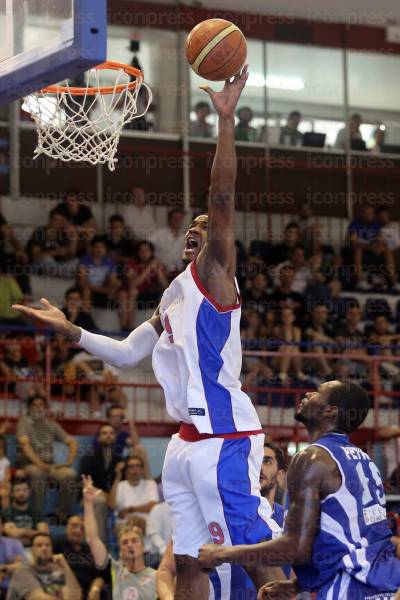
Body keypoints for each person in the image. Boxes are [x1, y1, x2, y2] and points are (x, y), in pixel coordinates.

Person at [13, 67, 284, 599]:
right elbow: (124, 353)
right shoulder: (172, 295)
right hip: (184, 447)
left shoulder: (215, 278)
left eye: (204, 230)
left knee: (256, 561)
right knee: (188, 566)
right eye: (192, 227)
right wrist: (71, 330)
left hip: (226, 439)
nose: (196, 231)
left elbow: (223, 198)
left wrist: (225, 123)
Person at [199, 380, 400, 599]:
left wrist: (223, 554)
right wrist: (297, 585)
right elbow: (358, 542)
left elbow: (296, 548)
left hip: (349, 588)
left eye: (318, 393)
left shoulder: (312, 458)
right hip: (384, 587)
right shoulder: (365, 460)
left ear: (331, 410)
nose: (308, 392)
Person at [82, 475, 157, 600]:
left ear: (143, 547)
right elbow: (92, 539)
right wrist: (88, 504)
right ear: (120, 552)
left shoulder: (158, 576)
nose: (130, 545)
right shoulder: (114, 570)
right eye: (125, 542)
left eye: (134, 541)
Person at [15, 394, 78, 519]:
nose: (38, 408)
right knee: (39, 473)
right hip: (29, 465)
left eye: (41, 405)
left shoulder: (51, 424)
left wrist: (69, 461)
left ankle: (61, 514)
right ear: (29, 408)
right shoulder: (24, 422)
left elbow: (72, 442)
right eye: (35, 405)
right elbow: (24, 445)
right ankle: (37, 515)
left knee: (70, 474)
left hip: (49, 465)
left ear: (46, 408)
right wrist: (40, 464)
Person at [6, 532, 82, 600]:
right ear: (32, 550)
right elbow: (39, 597)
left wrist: (65, 566)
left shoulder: (55, 570)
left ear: (52, 549)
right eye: (39, 545)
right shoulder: (22, 572)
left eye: (47, 545)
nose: (44, 548)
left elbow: (75, 596)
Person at [79, 424, 121, 543]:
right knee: (100, 502)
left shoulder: (120, 460)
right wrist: (107, 497)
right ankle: (101, 544)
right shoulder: (88, 459)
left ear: (115, 437)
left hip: (113, 498)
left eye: (111, 433)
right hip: (90, 497)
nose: (108, 435)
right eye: (104, 433)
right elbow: (87, 485)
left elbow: (121, 486)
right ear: (98, 438)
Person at [53, 515, 108, 599]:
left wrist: (95, 589)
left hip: (86, 594)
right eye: (74, 526)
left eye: (82, 528)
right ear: (66, 528)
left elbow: (98, 577)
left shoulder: (88, 549)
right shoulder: (59, 542)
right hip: (66, 591)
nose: (78, 530)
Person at [108, 455, 158, 539]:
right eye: (131, 466)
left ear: (142, 469)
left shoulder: (150, 484)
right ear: (126, 470)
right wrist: (117, 477)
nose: (135, 469)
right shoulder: (120, 485)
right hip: (124, 524)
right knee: (132, 525)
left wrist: (130, 510)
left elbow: (152, 506)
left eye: (138, 466)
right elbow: (111, 506)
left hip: (146, 522)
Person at [26, 208, 79, 277]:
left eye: (61, 221)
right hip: (36, 266)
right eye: (56, 220)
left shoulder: (62, 234)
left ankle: (59, 273)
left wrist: (74, 237)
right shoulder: (40, 232)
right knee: (48, 259)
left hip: (57, 266)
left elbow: (70, 257)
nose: (58, 223)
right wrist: (56, 252)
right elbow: (35, 257)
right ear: (50, 220)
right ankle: (63, 273)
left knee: (76, 261)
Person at [2, 478, 49, 547]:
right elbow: (12, 534)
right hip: (13, 550)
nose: (21, 493)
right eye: (18, 490)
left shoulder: (37, 512)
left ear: (29, 492)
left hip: (34, 549)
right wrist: (31, 533)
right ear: (12, 493)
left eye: (25, 490)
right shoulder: (5, 513)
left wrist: (22, 532)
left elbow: (44, 534)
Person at [149, 208, 186, 277]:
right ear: (169, 220)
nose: (178, 221)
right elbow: (146, 248)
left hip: (179, 273)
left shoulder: (185, 237)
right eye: (175, 218)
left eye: (180, 218)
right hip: (160, 272)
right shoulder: (157, 234)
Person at [0, 513, 25, 600]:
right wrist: (11, 566)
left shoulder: (15, 543)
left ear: (2, 527)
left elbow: (23, 566)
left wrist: (4, 568)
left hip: (12, 588)